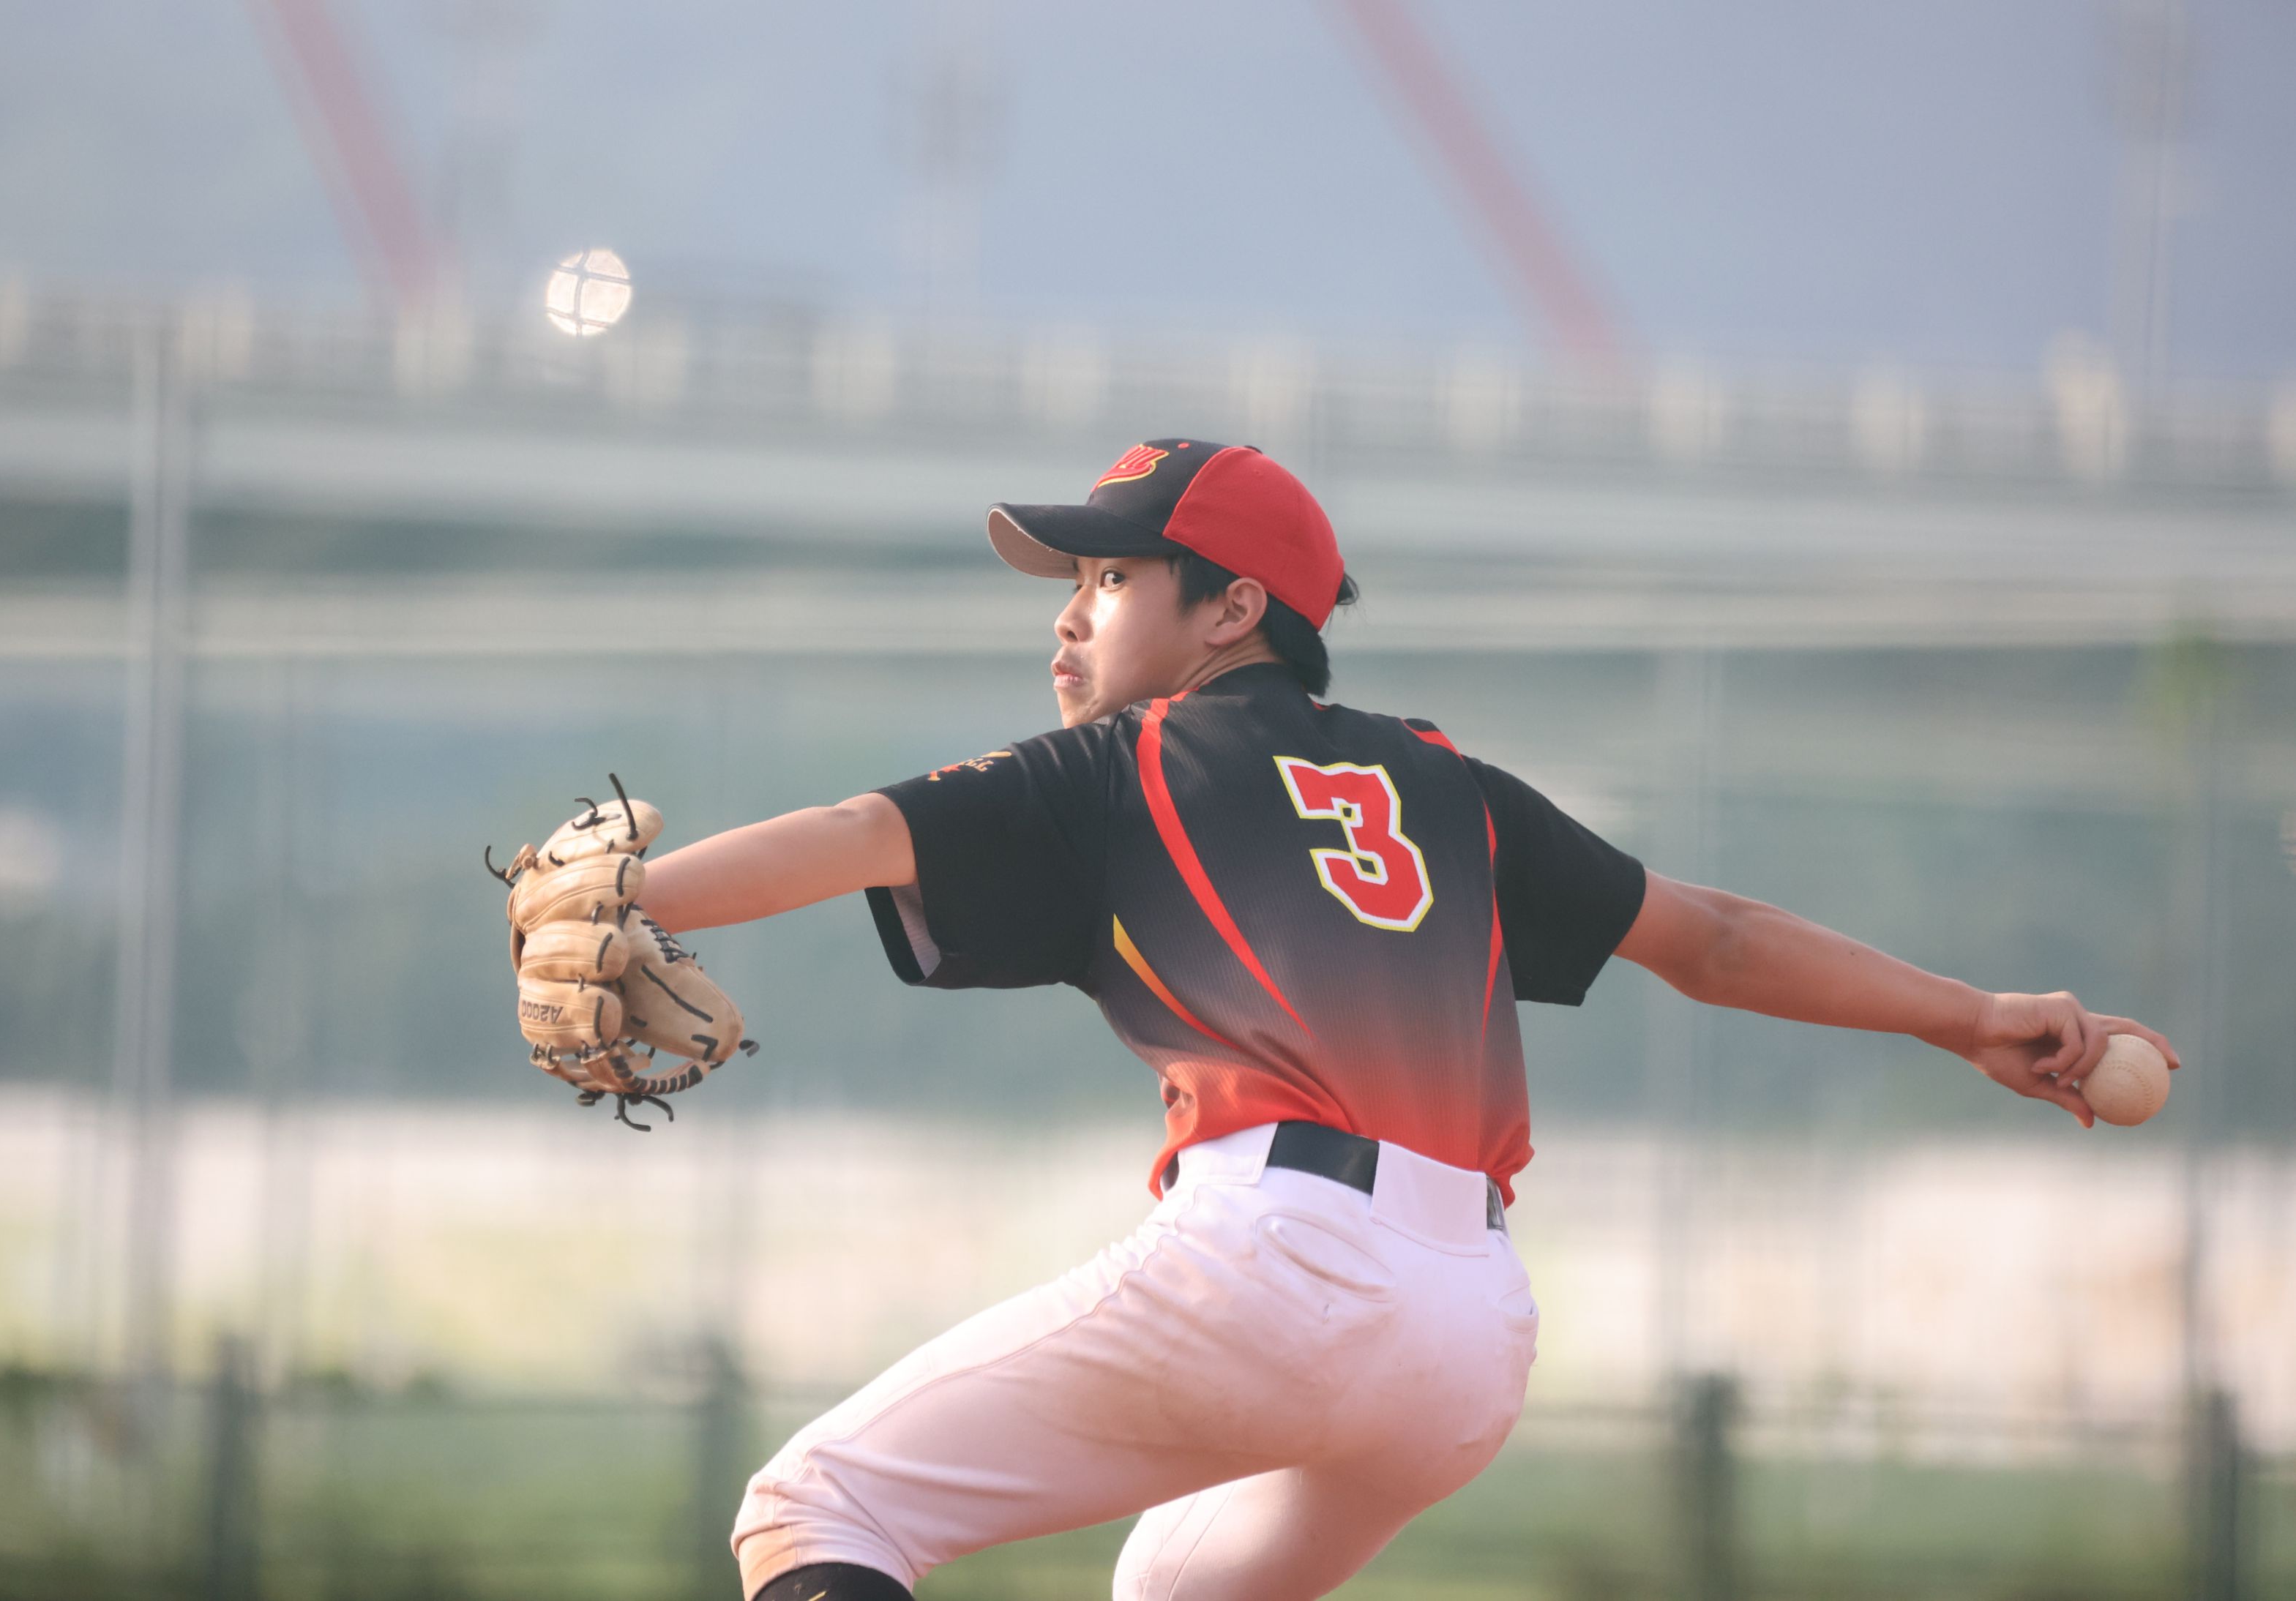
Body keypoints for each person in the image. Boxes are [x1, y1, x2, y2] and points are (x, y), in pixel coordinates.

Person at [635, 439, 2180, 1601]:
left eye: (1109, 579)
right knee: (1168, 1584)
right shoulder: (1448, 784)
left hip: (1276, 1259)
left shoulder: (1129, 760)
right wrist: (1971, 1015)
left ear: (1233, 606)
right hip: (1468, 1331)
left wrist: (621, 900)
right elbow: (1712, 938)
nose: (1069, 620)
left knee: (818, 1504)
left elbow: (856, 832)